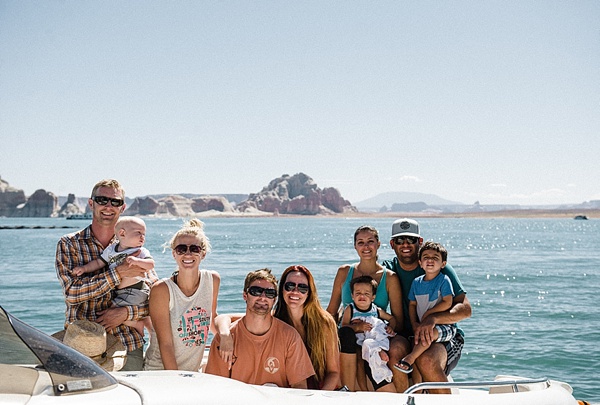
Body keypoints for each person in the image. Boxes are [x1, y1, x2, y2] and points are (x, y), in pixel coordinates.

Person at [55, 179, 159, 371]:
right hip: (81, 345)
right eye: (102, 200)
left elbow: (155, 296)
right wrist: (118, 273)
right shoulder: (69, 244)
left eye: (115, 202)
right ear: (91, 203)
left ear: (123, 208)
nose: (108, 206)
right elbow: (72, 293)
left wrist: (126, 313)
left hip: (127, 344)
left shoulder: (135, 247)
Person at [382, 218, 471, 394]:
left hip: (442, 336)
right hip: (406, 334)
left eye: (411, 239)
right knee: (394, 352)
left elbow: (465, 309)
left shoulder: (438, 267)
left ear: (420, 242)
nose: (405, 244)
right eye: (399, 240)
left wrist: (433, 319)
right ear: (392, 244)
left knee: (427, 360)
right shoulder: (388, 269)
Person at [205, 268, 315, 388]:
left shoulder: (290, 337)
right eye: (256, 291)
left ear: (274, 300)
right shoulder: (225, 340)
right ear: (245, 295)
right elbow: (217, 387)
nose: (263, 297)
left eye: (269, 293)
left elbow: (299, 387)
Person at [326, 225, 402, 392]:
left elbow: (397, 318)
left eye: (370, 242)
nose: (366, 247)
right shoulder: (344, 272)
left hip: (373, 334)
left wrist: (386, 330)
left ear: (378, 244)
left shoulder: (390, 278)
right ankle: (347, 391)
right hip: (346, 334)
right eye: (360, 242)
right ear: (355, 246)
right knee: (346, 336)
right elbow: (331, 311)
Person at [144, 219, 220, 372]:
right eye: (181, 249)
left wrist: (225, 336)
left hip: (190, 373)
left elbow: (212, 319)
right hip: (160, 372)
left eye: (194, 249)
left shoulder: (212, 280)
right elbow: (165, 344)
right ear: (174, 254)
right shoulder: (162, 290)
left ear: (203, 254)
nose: (188, 254)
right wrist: (177, 379)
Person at [73, 216, 154, 337]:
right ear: (122, 233)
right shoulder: (111, 250)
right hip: (122, 292)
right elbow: (98, 263)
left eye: (144, 234)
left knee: (112, 311)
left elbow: (151, 264)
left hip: (136, 289)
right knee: (118, 310)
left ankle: (137, 324)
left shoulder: (141, 251)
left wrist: (137, 261)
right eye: (138, 233)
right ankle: (146, 325)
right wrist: (84, 268)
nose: (143, 237)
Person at [393, 242, 456, 377]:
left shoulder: (444, 280)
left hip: (444, 327)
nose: (430, 260)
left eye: (435, 258)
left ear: (443, 264)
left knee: (428, 333)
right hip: (422, 326)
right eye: (426, 257)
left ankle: (409, 358)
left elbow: (448, 302)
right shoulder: (416, 283)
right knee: (417, 340)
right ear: (420, 263)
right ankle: (416, 383)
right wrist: (414, 323)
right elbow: (412, 305)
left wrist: (429, 314)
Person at [341, 276, 397, 387]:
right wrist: (358, 327)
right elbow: (344, 327)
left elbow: (392, 318)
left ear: (373, 297)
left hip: (372, 340)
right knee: (359, 360)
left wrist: (391, 327)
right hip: (358, 342)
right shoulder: (350, 309)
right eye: (358, 293)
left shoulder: (375, 309)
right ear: (352, 296)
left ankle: (379, 351)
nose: (362, 296)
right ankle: (363, 388)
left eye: (366, 294)